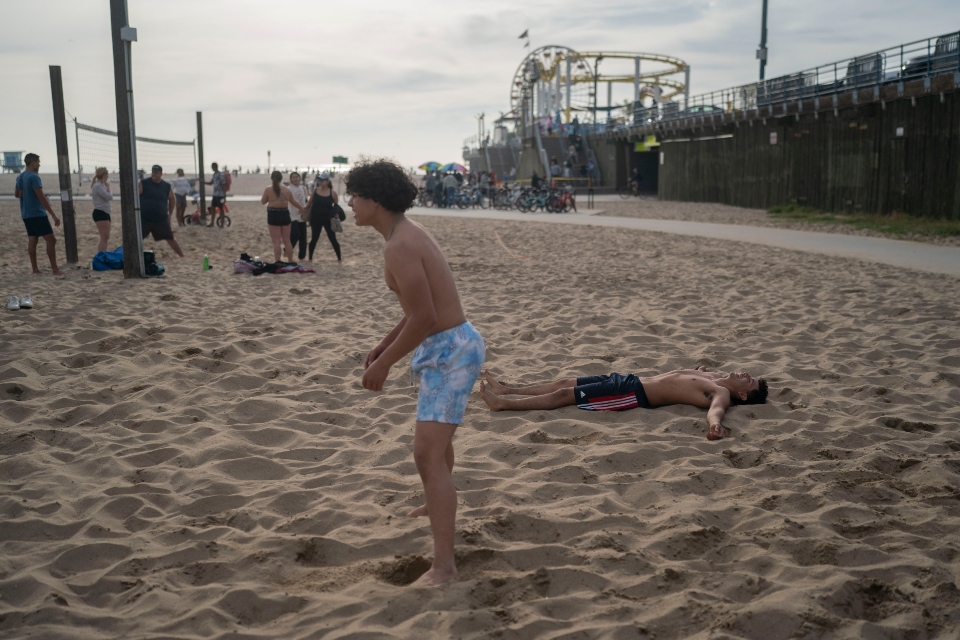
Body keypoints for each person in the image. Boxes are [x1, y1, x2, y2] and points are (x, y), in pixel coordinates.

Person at [348, 158, 485, 586]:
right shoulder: (404, 234)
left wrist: (385, 365)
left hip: (451, 350)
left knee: (426, 452)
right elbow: (417, 311)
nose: (348, 203)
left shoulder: (400, 244)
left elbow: (425, 315)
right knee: (436, 444)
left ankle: (444, 568)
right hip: (448, 345)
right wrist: (386, 344)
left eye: (354, 195)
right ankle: (435, 502)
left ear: (373, 201)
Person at [479, 367, 768, 441]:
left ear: (743, 395)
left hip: (634, 394)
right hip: (629, 379)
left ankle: (502, 404)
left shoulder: (722, 393)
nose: (745, 374)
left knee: (564, 396)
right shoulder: (713, 376)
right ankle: (507, 389)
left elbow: (716, 409)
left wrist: (716, 425)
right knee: (565, 382)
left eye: (749, 380)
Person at [14, 153, 64, 276]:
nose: (39, 164)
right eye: (38, 162)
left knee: (33, 239)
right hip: (37, 214)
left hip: (26, 214)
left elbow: (17, 194)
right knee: (51, 240)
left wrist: (34, 196)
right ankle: (55, 269)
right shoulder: (34, 177)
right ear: (33, 163)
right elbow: (41, 199)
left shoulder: (20, 177)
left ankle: (35, 269)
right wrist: (53, 215)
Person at [139, 165, 184, 257]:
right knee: (136, 238)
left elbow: (172, 199)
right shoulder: (143, 183)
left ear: (161, 173)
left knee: (170, 238)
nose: (154, 174)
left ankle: (182, 256)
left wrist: (170, 213)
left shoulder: (166, 186)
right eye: (152, 172)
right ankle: (129, 255)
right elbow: (134, 197)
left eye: (156, 172)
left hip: (161, 219)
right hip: (144, 218)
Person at [260, 171, 302, 263]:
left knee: (276, 241)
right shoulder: (287, 190)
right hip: (285, 214)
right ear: (281, 179)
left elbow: (263, 202)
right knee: (287, 240)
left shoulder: (268, 189)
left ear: (272, 178)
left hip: (273, 214)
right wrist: (301, 208)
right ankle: (290, 261)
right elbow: (293, 202)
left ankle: (278, 261)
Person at [305, 172, 342, 263]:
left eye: (322, 180)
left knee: (332, 239)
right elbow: (309, 203)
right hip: (315, 219)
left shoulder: (332, 193)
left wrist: (336, 214)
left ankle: (339, 258)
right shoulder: (316, 190)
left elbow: (336, 206)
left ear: (327, 181)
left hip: (328, 219)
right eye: (319, 180)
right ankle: (310, 258)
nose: (320, 182)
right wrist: (302, 209)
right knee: (314, 238)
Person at [287, 172, 310, 261]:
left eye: (296, 177)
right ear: (291, 179)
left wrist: (304, 208)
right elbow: (291, 200)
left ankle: (302, 256)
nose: (295, 179)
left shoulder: (303, 188)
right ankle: (288, 250)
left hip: (302, 215)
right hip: (292, 215)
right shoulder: (289, 189)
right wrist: (299, 207)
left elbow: (306, 200)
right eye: (293, 177)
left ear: (299, 178)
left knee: (303, 238)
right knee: (295, 234)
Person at [90, 167, 113, 253]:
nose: (107, 177)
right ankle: (100, 256)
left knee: (106, 237)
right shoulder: (98, 186)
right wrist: (109, 188)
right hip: (100, 212)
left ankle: (103, 254)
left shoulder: (101, 185)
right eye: (107, 175)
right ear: (104, 175)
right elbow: (109, 197)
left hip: (105, 212)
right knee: (104, 237)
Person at [205, 162, 227, 227]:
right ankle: (212, 223)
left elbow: (223, 185)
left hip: (220, 195)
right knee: (212, 208)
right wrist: (203, 182)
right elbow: (211, 183)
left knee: (221, 208)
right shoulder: (214, 174)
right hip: (215, 194)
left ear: (214, 167)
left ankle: (222, 223)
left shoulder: (221, 175)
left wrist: (224, 196)